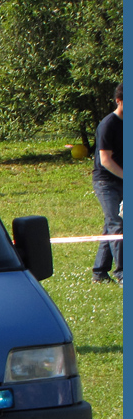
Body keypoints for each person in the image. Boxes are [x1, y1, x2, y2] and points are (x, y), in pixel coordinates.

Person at [91, 83, 122, 285]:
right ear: (119, 101)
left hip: (122, 179)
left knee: (110, 225)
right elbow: (105, 160)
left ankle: (99, 272)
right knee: (117, 225)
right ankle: (123, 273)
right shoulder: (108, 124)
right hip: (106, 181)